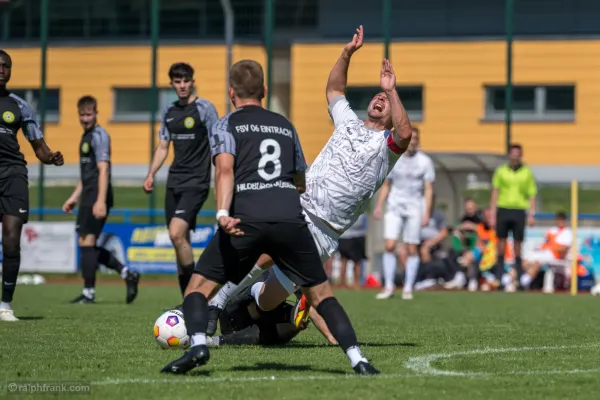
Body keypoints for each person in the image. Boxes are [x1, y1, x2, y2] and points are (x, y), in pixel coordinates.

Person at [161, 57, 381, 376]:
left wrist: (223, 212)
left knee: (197, 289)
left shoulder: (227, 124)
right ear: (264, 90)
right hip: (291, 218)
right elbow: (301, 178)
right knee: (321, 295)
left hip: (248, 216)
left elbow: (223, 170)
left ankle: (198, 344)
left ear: (231, 92)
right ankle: (358, 360)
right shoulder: (284, 124)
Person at [206, 26, 412, 338]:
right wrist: (346, 54)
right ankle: (215, 305)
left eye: (386, 99)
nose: (380, 98)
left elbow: (405, 133)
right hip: (298, 207)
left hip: (326, 232)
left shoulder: (387, 147)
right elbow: (334, 90)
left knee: (266, 298)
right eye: (378, 95)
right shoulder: (348, 123)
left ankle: (249, 303)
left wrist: (392, 89)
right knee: (263, 255)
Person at [143, 63, 219, 302]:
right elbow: (163, 146)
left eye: (186, 80)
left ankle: (193, 295)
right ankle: (189, 301)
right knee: (180, 243)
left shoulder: (205, 109)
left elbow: (218, 145)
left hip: (197, 182)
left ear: (192, 81)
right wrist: (151, 174)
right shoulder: (169, 112)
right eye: (178, 81)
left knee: (176, 234)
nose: (182, 85)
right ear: (172, 84)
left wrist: (221, 181)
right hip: (174, 183)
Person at [0, 50, 64, 321]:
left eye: (5, 66)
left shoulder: (20, 105)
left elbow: (38, 147)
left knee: (12, 240)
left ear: (10, 71)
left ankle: (5, 305)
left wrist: (51, 158)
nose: (1, 69)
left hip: (13, 174)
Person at [62, 96, 140, 304]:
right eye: (82, 115)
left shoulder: (99, 136)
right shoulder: (85, 136)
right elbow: (86, 174)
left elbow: (103, 169)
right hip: (88, 194)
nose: (85, 119)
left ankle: (89, 293)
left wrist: (101, 200)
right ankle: (126, 273)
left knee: (86, 242)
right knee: (86, 243)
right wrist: (73, 197)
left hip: (97, 195)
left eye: (89, 114)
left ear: (96, 114)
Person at [373, 127, 435, 300]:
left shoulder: (425, 162)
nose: (413, 141)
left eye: (416, 138)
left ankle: (408, 287)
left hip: (415, 207)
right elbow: (387, 184)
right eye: (411, 138)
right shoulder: (395, 158)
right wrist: (379, 205)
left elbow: (429, 189)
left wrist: (427, 213)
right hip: (394, 206)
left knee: (411, 248)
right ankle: (389, 286)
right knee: (390, 245)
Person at [209, 269, 336, 347]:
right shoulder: (263, 262)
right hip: (236, 315)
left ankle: (288, 315)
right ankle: (217, 341)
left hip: (263, 311)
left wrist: (332, 336)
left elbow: (310, 304)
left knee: (298, 319)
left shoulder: (293, 266)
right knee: (260, 299)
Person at [490, 144, 537, 289]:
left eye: (518, 153)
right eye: (513, 153)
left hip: (519, 209)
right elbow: (495, 192)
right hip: (503, 208)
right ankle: (498, 277)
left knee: (517, 245)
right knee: (501, 244)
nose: (515, 156)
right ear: (509, 155)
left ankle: (518, 278)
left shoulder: (527, 172)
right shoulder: (501, 171)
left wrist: (531, 214)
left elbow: (532, 194)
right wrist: (492, 213)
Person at [337, 214, 367, 289]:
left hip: (350, 235)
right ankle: (352, 284)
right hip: (352, 235)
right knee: (353, 262)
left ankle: (351, 284)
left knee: (347, 261)